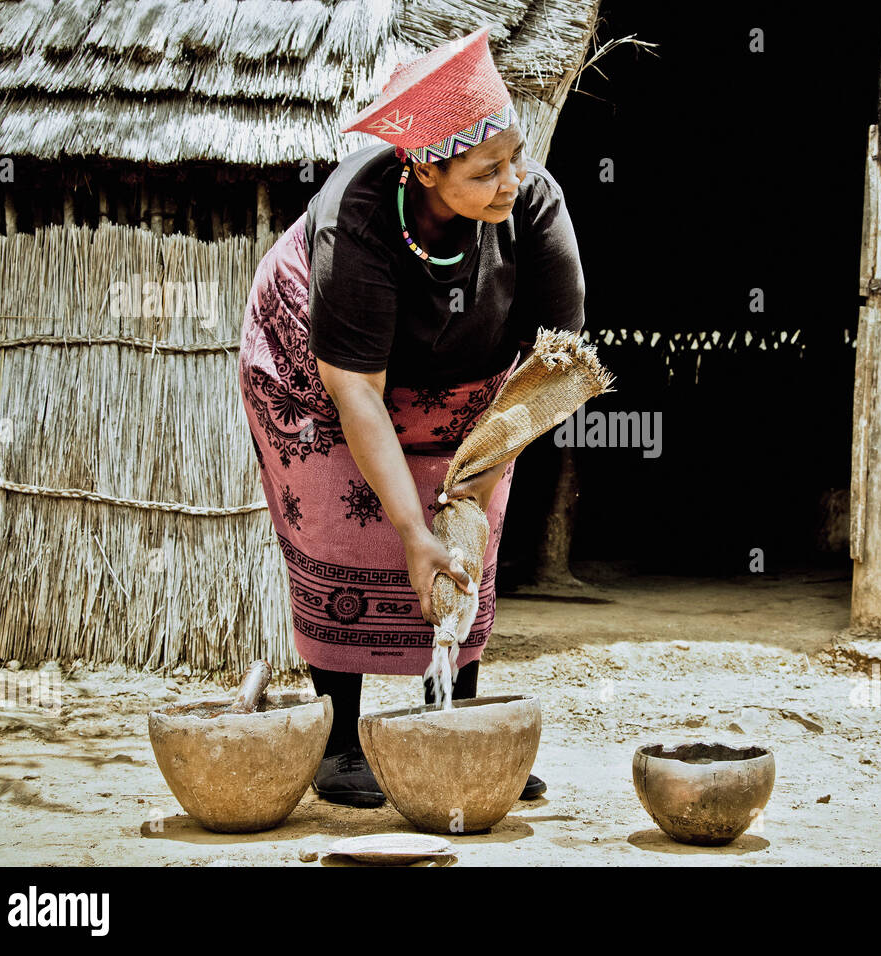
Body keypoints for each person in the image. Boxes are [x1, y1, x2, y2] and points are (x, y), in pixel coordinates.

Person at [237, 26, 585, 807]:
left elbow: (551, 368)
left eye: (516, 156)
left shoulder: (533, 206)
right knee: (343, 521)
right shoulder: (359, 215)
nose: (512, 180)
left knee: (470, 534)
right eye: (486, 170)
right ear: (426, 167)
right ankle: (338, 741)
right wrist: (410, 531)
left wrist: (466, 497)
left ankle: (454, 728)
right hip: (317, 373)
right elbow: (355, 388)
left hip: (469, 386)